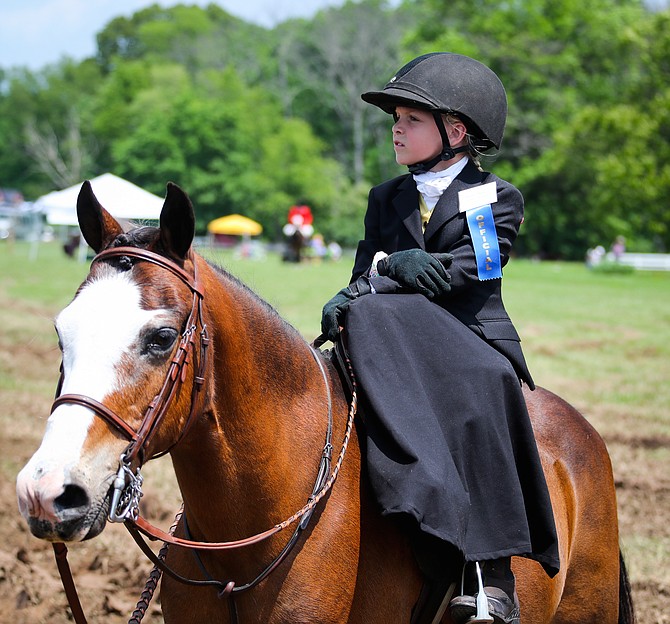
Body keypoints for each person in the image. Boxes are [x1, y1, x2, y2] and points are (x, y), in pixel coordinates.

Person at [320, 53, 559, 624]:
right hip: (393, 334)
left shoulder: (493, 196)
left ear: (456, 131)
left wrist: (401, 268)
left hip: (468, 332)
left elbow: (472, 268)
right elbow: (364, 275)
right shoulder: (386, 198)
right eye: (395, 118)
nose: (396, 128)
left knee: (482, 382)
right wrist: (359, 288)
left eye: (411, 118)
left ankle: (492, 576)